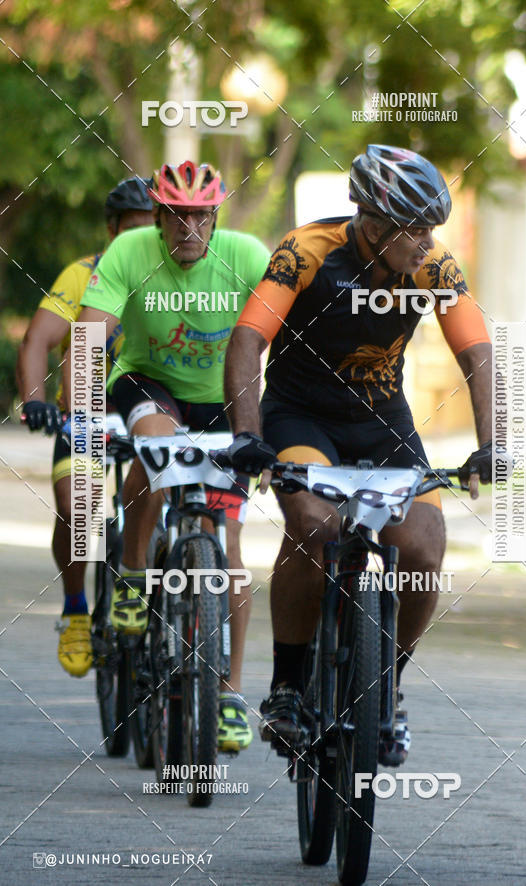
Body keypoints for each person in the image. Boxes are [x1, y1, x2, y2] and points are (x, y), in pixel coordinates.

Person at [224, 144, 494, 766]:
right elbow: (246, 341)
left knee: (424, 546)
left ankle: (384, 690)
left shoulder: (433, 266)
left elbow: (478, 353)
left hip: (381, 422)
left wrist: (493, 443)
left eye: (432, 230)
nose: (428, 244)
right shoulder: (306, 251)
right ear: (373, 226)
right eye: (416, 230)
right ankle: (288, 687)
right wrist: (246, 432)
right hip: (300, 416)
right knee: (314, 526)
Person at [64, 160, 270, 752]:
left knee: (227, 544)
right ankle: (131, 574)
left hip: (224, 399)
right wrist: (81, 414)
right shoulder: (129, 251)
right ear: (158, 217)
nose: (188, 229)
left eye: (200, 217)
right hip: (150, 382)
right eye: (176, 217)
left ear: (215, 216)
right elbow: (89, 336)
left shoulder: (246, 253)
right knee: (156, 450)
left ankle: (229, 692)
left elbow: (290, 329)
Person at [16, 177, 154, 679]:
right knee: (79, 508)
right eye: (129, 229)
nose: (138, 238)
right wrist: (34, 402)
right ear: (111, 229)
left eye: (149, 227)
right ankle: (76, 608)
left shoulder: (175, 275)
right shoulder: (84, 275)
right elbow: (37, 339)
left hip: (153, 408)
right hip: (87, 408)